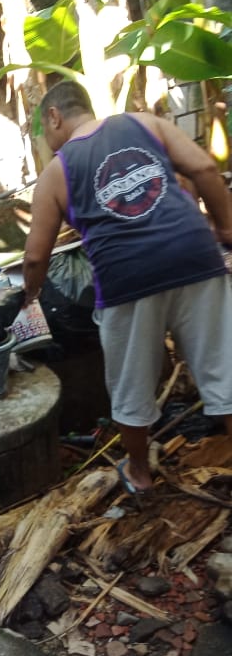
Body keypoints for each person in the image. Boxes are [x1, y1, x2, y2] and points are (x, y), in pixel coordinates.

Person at [23, 80, 232, 493]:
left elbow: (34, 257)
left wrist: (30, 295)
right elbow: (205, 169)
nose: (49, 141)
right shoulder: (145, 124)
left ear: (55, 116)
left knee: (130, 386)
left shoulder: (57, 172)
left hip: (126, 280)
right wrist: (226, 228)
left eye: (46, 131)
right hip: (195, 257)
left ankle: (139, 471)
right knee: (224, 369)